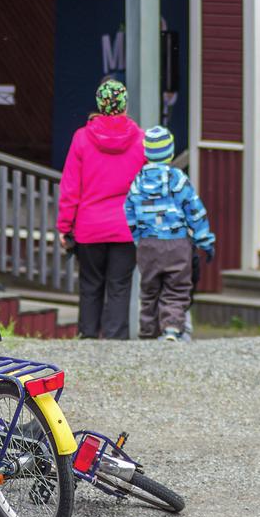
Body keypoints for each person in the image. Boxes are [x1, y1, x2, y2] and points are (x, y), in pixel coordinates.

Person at [57, 79, 145, 339]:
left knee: (90, 285)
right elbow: (145, 186)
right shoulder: (140, 140)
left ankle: (87, 338)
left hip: (89, 227)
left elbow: (71, 187)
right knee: (119, 287)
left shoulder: (82, 138)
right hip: (126, 228)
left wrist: (64, 226)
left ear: (99, 104)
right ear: (125, 106)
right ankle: (117, 342)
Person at [125, 126, 215, 341]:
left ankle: (147, 332)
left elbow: (129, 211)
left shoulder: (137, 182)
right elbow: (194, 210)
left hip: (148, 243)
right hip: (177, 243)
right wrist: (205, 239)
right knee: (177, 287)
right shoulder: (177, 179)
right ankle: (172, 329)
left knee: (149, 289)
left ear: (146, 153)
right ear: (170, 153)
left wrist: (138, 237)